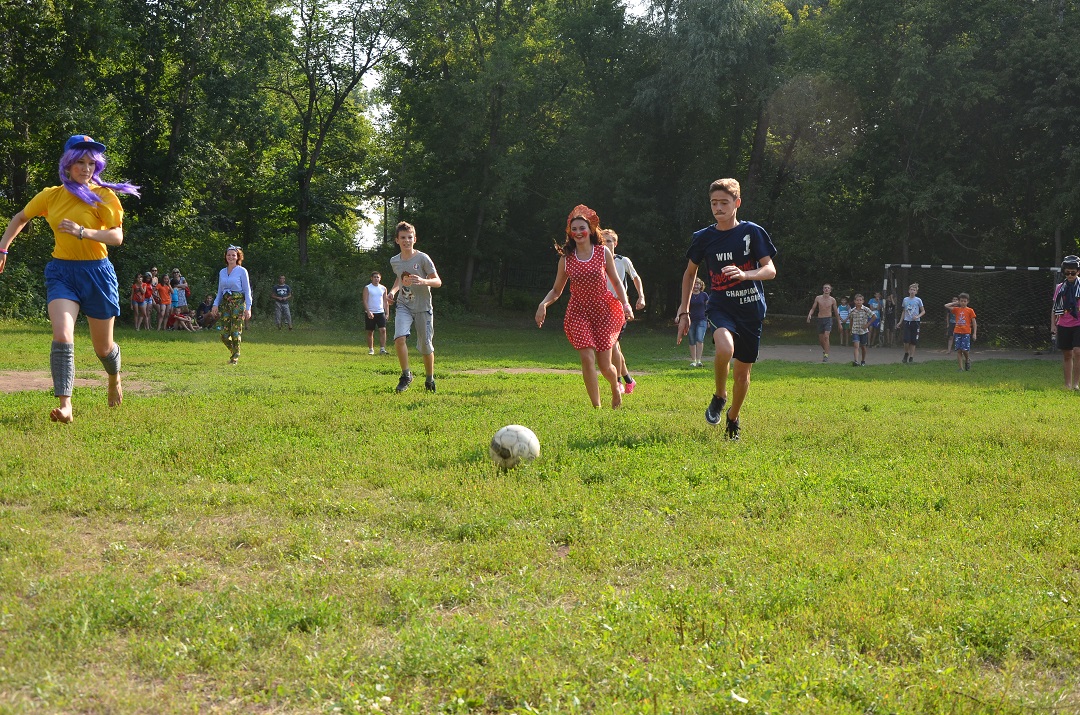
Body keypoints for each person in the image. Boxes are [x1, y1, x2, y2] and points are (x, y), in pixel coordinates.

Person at [0, 134, 139, 423]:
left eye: (91, 163)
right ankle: (66, 405)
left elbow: (117, 237)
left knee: (103, 348)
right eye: (80, 163)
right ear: (67, 164)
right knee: (63, 334)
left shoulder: (104, 196)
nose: (86, 168)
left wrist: (82, 232)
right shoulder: (50, 196)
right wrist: (3, 248)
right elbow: (20, 217)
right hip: (61, 272)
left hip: (97, 274)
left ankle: (114, 377)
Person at [676, 178, 776, 439]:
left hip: (751, 310)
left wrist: (745, 275)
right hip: (721, 306)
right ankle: (720, 395)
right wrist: (684, 311)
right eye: (713, 203)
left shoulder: (753, 232)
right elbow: (689, 274)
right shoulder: (703, 237)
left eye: (724, 202)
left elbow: (770, 269)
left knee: (742, 375)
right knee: (724, 348)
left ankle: (733, 418)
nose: (718, 208)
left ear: (737, 203)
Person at [537, 205, 634, 409]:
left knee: (605, 366)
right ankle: (596, 407)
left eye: (582, 228)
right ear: (570, 233)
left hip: (604, 312)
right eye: (574, 229)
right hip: (579, 312)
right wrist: (543, 304)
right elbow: (556, 290)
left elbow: (616, 282)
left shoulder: (602, 252)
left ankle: (615, 387)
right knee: (587, 357)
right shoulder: (567, 259)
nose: (578, 232)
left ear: (590, 230)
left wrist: (626, 304)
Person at [388, 222, 442, 392]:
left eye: (410, 237)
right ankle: (406, 375)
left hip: (423, 307)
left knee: (425, 346)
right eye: (403, 237)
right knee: (399, 339)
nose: (407, 240)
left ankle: (429, 379)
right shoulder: (394, 261)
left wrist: (424, 281)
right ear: (397, 240)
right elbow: (399, 278)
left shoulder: (422, 258)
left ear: (415, 239)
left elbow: (438, 281)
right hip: (404, 305)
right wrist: (393, 292)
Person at [601, 228, 646, 392]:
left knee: (612, 344)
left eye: (609, 241)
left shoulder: (623, 261)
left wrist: (641, 296)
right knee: (615, 346)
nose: (606, 244)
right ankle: (628, 380)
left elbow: (635, 277)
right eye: (602, 241)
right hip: (602, 308)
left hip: (619, 308)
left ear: (615, 243)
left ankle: (619, 381)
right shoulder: (597, 261)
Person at [210, 245, 252, 364]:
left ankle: (235, 358)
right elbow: (220, 291)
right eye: (228, 255)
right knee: (224, 335)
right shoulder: (222, 272)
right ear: (225, 256)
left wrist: (248, 308)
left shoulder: (242, 271)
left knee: (235, 332)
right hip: (226, 304)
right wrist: (215, 304)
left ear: (238, 257)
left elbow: (247, 290)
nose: (231, 257)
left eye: (233, 255)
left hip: (238, 304)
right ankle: (234, 350)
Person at [1051, 255, 1080, 390]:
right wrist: (1053, 325)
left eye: (1072, 273)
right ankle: (1067, 384)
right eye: (1067, 273)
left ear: (1078, 272)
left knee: (1077, 352)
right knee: (1067, 354)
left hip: (1078, 324)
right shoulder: (1060, 288)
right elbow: (1054, 308)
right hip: (1063, 323)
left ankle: (1076, 384)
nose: (1070, 275)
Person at [806, 283, 839, 362]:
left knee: (826, 337)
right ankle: (825, 350)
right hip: (820, 319)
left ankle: (826, 355)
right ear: (823, 289)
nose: (826, 289)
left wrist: (839, 323)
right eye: (825, 288)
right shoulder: (818, 298)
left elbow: (836, 312)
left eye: (828, 288)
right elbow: (813, 308)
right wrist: (809, 315)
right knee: (821, 340)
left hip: (828, 319)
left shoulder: (832, 300)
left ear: (830, 290)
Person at [945, 294, 977, 371]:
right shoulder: (956, 309)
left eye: (965, 301)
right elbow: (946, 305)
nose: (963, 303)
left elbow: (974, 322)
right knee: (959, 350)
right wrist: (956, 303)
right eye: (961, 301)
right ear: (959, 301)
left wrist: (974, 333)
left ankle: (967, 360)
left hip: (966, 332)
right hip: (957, 332)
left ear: (967, 302)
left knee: (965, 350)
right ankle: (961, 368)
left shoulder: (970, 310)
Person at [896, 283, 925, 363]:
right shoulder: (905, 300)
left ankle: (911, 357)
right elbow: (904, 311)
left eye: (914, 290)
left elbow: (923, 311)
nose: (912, 291)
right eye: (911, 290)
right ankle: (906, 353)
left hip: (915, 322)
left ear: (916, 292)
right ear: (909, 291)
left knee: (913, 341)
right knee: (906, 340)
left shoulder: (918, 300)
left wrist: (918, 316)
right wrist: (900, 322)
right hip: (907, 322)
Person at [363, 271, 389, 355]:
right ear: (371, 278)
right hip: (371, 312)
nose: (376, 279)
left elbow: (385, 301)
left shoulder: (383, 288)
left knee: (383, 330)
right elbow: (365, 300)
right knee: (370, 331)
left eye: (378, 277)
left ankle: (382, 349)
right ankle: (371, 349)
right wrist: (368, 312)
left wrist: (387, 313)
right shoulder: (368, 288)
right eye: (374, 277)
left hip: (380, 312)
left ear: (380, 278)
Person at [685, 277, 709, 366]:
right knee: (692, 340)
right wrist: (679, 316)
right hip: (691, 320)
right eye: (694, 284)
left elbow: (709, 307)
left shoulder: (704, 295)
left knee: (699, 339)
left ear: (701, 285)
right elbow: (683, 306)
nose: (696, 286)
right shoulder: (689, 295)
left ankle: (699, 360)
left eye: (698, 284)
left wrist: (709, 319)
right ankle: (694, 361)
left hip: (702, 320)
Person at [849, 293, 873, 366]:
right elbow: (851, 320)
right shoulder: (852, 311)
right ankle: (856, 361)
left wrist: (867, 324)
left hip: (863, 331)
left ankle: (863, 360)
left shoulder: (866, 309)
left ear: (863, 301)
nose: (858, 301)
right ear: (854, 301)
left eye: (860, 300)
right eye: (857, 300)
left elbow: (873, 316)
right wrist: (851, 329)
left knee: (863, 347)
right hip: (855, 330)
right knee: (856, 346)